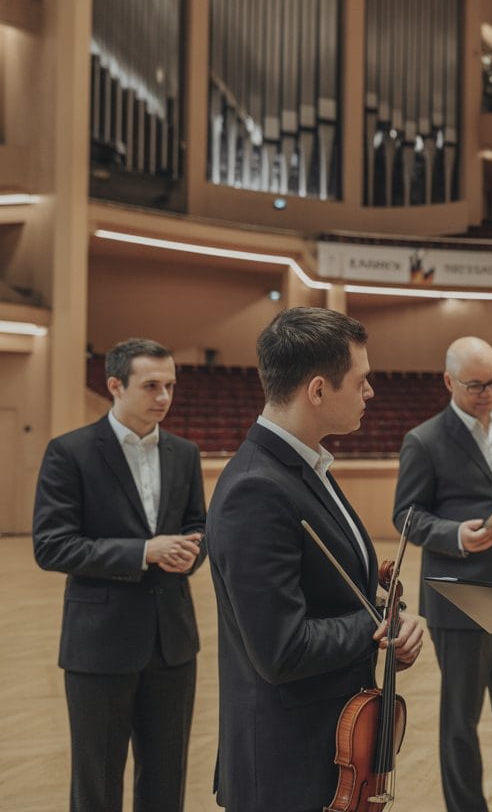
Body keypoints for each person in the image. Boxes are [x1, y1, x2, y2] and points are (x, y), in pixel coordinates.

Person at [207, 307, 424, 812]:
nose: (371, 392)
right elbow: (281, 648)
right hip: (287, 766)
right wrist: (378, 626)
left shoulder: (308, 463)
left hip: (330, 747)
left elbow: (324, 592)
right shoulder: (256, 489)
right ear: (319, 390)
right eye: (362, 380)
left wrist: (385, 624)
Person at [33, 337, 207, 812]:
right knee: (97, 784)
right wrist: (144, 551)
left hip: (172, 644)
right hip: (99, 643)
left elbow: (197, 527)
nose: (165, 397)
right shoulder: (70, 452)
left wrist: (192, 552)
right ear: (114, 385)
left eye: (170, 385)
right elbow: (51, 545)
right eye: (151, 385)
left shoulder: (185, 453)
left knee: (166, 778)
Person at [392, 336, 492, 812]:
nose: (488, 392)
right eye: (476, 385)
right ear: (448, 382)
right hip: (459, 599)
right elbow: (405, 516)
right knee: (460, 724)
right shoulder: (423, 440)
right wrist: (456, 535)